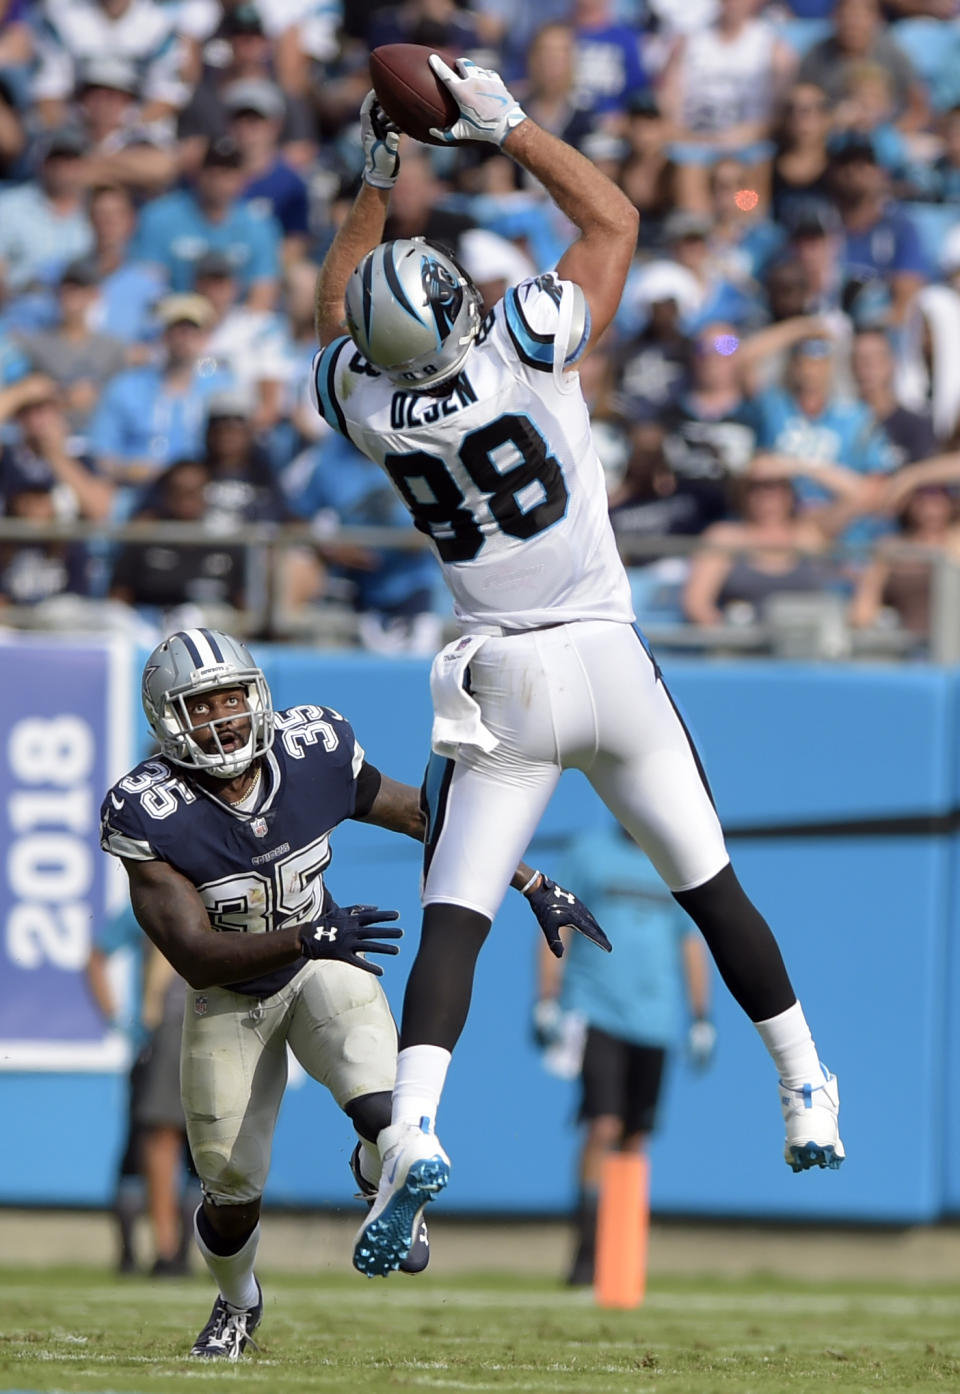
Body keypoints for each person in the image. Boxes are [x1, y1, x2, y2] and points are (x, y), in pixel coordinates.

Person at [311, 63, 846, 1282]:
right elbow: (615, 219)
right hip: (608, 651)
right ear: (456, 308)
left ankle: (417, 1124)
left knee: (458, 912)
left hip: (502, 678)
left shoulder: (372, 405)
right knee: (710, 883)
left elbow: (337, 313)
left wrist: (377, 177)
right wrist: (507, 124)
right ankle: (805, 1081)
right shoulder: (519, 351)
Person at [100, 627, 608, 1357]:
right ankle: (238, 1302)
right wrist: (304, 938)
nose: (224, 717)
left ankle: (386, 1172)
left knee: (386, 1106)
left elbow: (424, 817)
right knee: (231, 1192)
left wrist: (530, 880)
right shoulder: (148, 809)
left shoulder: (311, 751)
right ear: (169, 719)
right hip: (233, 996)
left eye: (232, 697)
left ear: (257, 695)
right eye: (202, 705)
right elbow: (195, 955)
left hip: (323, 960)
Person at [533, 822, 715, 1287]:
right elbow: (557, 924)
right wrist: (548, 999)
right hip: (596, 1011)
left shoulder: (673, 858)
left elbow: (691, 940)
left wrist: (700, 1017)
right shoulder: (588, 851)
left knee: (635, 1137)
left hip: (656, 1021)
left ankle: (620, 1258)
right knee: (602, 1125)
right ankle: (585, 1253)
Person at [86, 902, 197, 1275]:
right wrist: (121, 1021)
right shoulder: (153, 894)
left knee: (220, 1147)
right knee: (158, 1138)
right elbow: (96, 956)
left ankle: (219, 1253)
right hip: (166, 1031)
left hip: (224, 1020)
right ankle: (165, 1253)